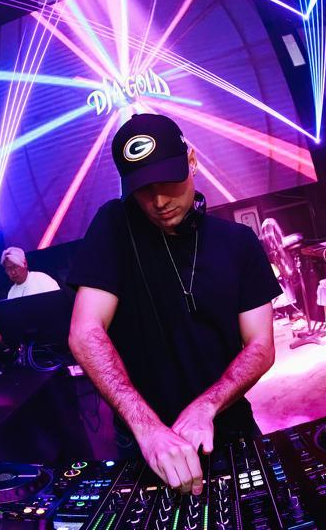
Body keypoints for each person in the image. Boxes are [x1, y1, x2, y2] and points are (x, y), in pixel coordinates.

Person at [67, 114, 281, 496]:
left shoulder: (239, 243)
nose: (159, 201)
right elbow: (85, 332)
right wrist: (148, 428)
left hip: (228, 430)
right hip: (144, 443)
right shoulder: (114, 227)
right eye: (143, 189)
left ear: (192, 161)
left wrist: (207, 406)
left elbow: (261, 346)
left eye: (168, 181)